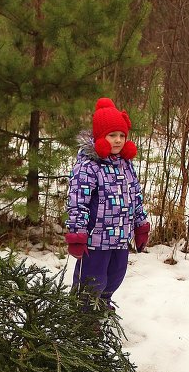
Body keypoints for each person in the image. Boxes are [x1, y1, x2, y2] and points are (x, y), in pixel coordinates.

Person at [64, 97, 150, 308]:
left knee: (115, 276)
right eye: (112, 135)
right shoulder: (89, 165)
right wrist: (77, 233)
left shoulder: (125, 164)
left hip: (120, 236)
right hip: (95, 238)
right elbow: (78, 201)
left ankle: (102, 304)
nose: (118, 140)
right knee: (92, 279)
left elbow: (135, 195)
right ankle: (83, 311)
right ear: (100, 137)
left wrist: (140, 225)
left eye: (122, 135)